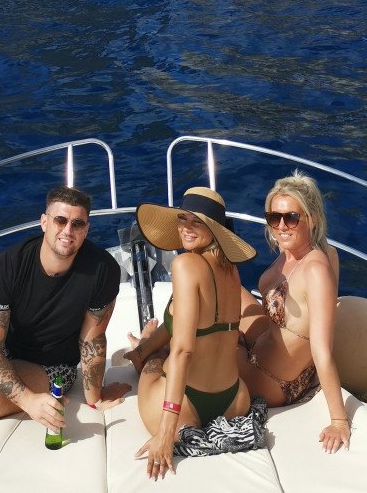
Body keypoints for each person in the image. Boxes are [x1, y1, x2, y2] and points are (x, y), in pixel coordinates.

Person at [0, 185, 130, 431]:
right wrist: (27, 400)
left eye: (77, 224)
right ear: (44, 222)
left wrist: (95, 399)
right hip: (11, 344)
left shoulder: (103, 270)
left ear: (86, 229)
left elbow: (92, 340)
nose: (68, 230)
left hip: (54, 367)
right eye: (60, 220)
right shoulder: (11, 263)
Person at [126, 187, 255, 480]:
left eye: (197, 221)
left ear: (215, 229)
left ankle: (142, 351)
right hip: (235, 400)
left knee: (152, 364)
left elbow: (184, 350)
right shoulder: (231, 271)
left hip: (184, 405)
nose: (185, 227)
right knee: (166, 344)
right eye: (183, 219)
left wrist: (166, 431)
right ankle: (143, 347)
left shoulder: (185, 264)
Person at [237, 171, 350, 454]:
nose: (281, 226)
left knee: (192, 345)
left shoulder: (315, 269)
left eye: (291, 218)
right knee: (225, 283)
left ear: (312, 219)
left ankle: (146, 352)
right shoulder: (296, 255)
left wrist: (338, 420)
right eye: (274, 217)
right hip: (264, 347)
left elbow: (322, 349)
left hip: (271, 382)